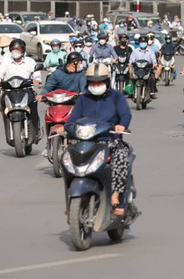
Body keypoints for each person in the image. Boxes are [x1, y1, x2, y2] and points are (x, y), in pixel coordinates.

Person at [65, 63, 133, 216]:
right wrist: (65, 127)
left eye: (99, 82)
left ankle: (116, 196)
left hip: (110, 140)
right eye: (93, 82)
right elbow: (73, 119)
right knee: (67, 158)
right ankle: (70, 198)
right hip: (86, 142)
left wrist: (121, 126)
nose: (96, 85)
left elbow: (126, 115)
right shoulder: (83, 100)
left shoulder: (116, 96)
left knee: (121, 157)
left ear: (107, 82)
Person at [0, 38, 43, 141]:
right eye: (13, 49)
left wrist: (36, 80)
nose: (15, 51)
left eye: (18, 49)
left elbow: (37, 75)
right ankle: (8, 128)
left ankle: (35, 128)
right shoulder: (6, 62)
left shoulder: (30, 61)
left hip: (26, 90)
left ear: (23, 50)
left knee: (33, 105)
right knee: (3, 105)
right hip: (9, 92)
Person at [130, 34, 159, 99]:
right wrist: (130, 64)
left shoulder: (150, 51)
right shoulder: (135, 51)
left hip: (147, 69)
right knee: (131, 77)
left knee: (152, 78)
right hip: (137, 69)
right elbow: (131, 60)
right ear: (139, 43)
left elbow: (154, 60)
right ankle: (132, 91)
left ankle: (151, 92)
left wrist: (154, 64)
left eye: (144, 42)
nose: (143, 43)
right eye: (142, 42)